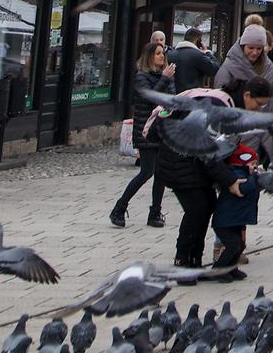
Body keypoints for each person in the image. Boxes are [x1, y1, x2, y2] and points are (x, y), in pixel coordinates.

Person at [153, 93, 233, 272]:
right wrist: (230, 180)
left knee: (206, 205)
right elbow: (208, 156)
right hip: (179, 169)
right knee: (197, 210)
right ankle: (183, 258)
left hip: (190, 168)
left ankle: (195, 258)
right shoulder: (196, 116)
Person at [111, 41, 175, 228]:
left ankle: (155, 212)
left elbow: (171, 97)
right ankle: (119, 207)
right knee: (146, 172)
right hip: (146, 131)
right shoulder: (142, 77)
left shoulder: (166, 76)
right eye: (157, 54)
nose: (161, 56)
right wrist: (164, 79)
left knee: (161, 174)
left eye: (162, 53)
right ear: (149, 56)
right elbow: (149, 98)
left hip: (162, 130)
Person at [210, 133, 262, 281]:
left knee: (240, 245)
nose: (254, 167)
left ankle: (232, 268)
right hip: (225, 221)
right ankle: (218, 270)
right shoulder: (236, 175)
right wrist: (256, 178)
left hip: (235, 219)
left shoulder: (243, 173)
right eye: (252, 164)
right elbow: (245, 189)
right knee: (233, 245)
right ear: (242, 163)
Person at [215, 24, 273, 109]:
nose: (255, 52)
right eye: (251, 48)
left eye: (259, 49)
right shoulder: (228, 68)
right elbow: (220, 100)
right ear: (243, 46)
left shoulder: (268, 67)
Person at [169, 27, 219, 91]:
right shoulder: (198, 55)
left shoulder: (171, 54)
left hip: (174, 96)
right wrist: (208, 52)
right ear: (198, 41)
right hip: (193, 95)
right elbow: (215, 68)